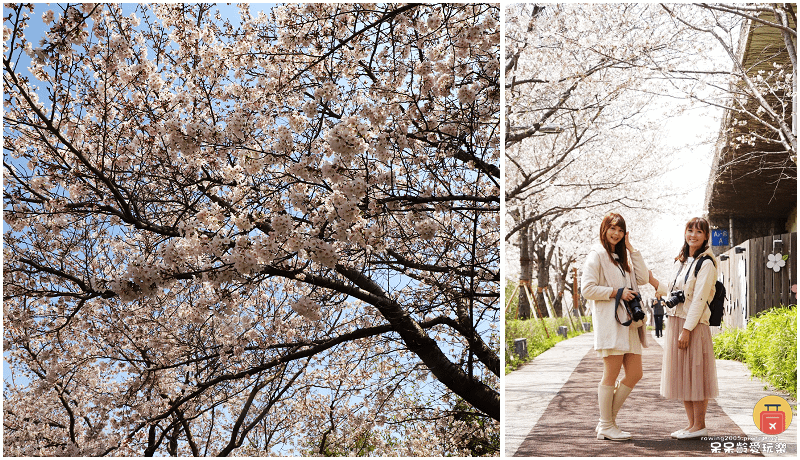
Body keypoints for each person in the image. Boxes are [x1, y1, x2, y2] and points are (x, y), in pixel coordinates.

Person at [581, 212, 658, 441]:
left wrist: (631, 248)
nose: (616, 233)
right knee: (611, 374)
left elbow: (643, 278)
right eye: (612, 228)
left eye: (620, 230)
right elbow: (587, 289)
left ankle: (606, 422)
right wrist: (617, 292)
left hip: (629, 324)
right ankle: (607, 424)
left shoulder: (621, 256)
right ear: (604, 229)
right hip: (611, 323)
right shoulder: (597, 255)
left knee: (635, 373)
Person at [652, 217, 719, 440]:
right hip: (677, 321)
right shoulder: (682, 261)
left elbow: (699, 300)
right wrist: (654, 282)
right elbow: (676, 293)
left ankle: (700, 424)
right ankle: (691, 425)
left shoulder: (706, 263)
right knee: (685, 375)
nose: (693, 235)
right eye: (690, 230)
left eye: (699, 232)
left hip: (693, 325)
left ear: (706, 236)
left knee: (696, 374)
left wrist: (687, 330)